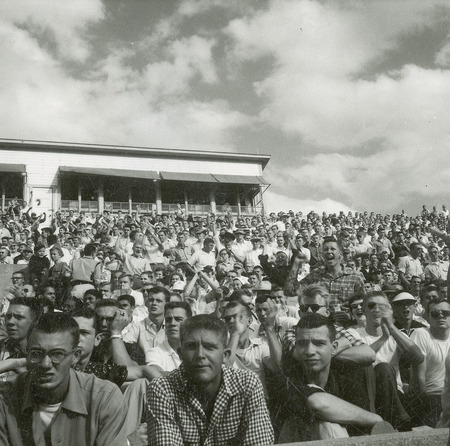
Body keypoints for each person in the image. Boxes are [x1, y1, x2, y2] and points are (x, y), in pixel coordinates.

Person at [0, 312, 128, 445]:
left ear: (75, 356)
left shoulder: (104, 399)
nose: (45, 364)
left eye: (57, 354)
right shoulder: (5, 398)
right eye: (36, 353)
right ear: (27, 354)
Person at [147, 314, 274, 446]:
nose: (200, 355)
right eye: (191, 346)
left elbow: (259, 442)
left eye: (209, 347)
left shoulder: (247, 384)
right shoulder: (162, 389)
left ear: (225, 355)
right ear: (180, 354)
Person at [278, 313, 386, 442]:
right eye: (302, 344)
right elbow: (316, 402)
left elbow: (361, 431)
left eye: (319, 343)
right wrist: (376, 419)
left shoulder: (347, 379)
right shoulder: (288, 375)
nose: (309, 351)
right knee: (327, 423)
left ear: (334, 347)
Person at [286, 237, 365, 306]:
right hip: (321, 321)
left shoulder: (355, 276)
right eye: (326, 249)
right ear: (322, 254)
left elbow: (363, 304)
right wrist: (295, 264)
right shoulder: (315, 274)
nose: (329, 252)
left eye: (333, 249)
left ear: (340, 254)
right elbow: (291, 291)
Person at [409, 298, 450, 427]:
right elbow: (420, 379)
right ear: (427, 317)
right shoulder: (421, 334)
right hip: (431, 396)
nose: (441, 316)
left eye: (446, 313)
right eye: (435, 314)